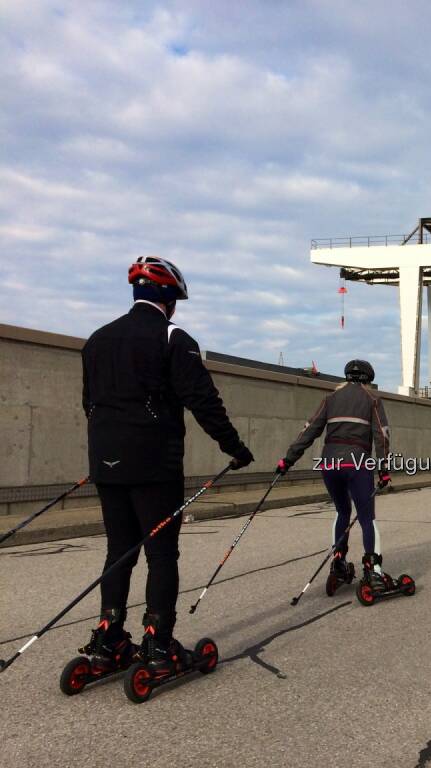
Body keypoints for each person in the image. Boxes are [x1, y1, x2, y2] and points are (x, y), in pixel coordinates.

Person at [79, 256, 253, 673]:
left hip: (106, 461)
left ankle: (108, 635)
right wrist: (235, 448)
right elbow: (203, 401)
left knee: (118, 551)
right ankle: (158, 642)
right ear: (169, 299)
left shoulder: (97, 339)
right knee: (161, 553)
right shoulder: (174, 337)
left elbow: (88, 402)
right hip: (153, 464)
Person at [276, 359, 391, 592]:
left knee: (342, 512)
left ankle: (338, 561)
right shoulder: (372, 400)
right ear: (369, 380)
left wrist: (287, 460)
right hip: (357, 464)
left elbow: (309, 431)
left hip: (329, 464)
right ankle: (374, 571)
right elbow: (382, 436)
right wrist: (384, 469)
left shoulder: (330, 399)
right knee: (367, 518)